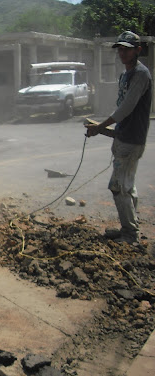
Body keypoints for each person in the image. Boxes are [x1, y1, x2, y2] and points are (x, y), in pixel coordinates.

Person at [85, 31, 152, 244]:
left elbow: (126, 108)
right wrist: (102, 129)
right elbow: (122, 112)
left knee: (118, 186)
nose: (122, 52)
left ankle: (130, 235)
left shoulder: (141, 74)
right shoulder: (126, 74)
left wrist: (101, 126)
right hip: (124, 137)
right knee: (127, 185)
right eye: (120, 49)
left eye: (127, 49)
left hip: (132, 140)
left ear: (138, 50)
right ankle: (129, 227)